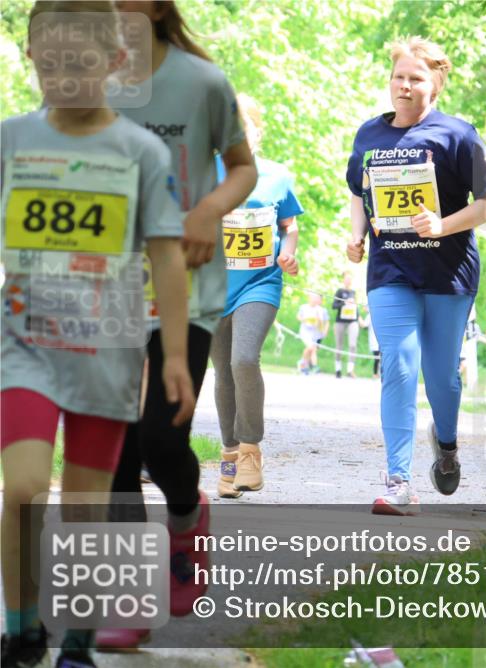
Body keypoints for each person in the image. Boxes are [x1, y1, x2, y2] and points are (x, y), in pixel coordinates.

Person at [1, 4, 195, 666]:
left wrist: (172, 353)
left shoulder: (139, 151)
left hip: (106, 348)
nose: (62, 79)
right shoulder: (12, 139)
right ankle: (21, 621)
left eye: (79, 65)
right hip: (23, 341)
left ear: (114, 62)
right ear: (32, 59)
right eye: (49, 64)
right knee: (24, 488)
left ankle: (76, 641)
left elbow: (167, 254)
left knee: (85, 504)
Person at [102, 0, 257, 650]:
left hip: (186, 290)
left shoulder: (202, 82)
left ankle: (188, 515)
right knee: (115, 453)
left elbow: (242, 165)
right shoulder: (90, 82)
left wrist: (207, 211)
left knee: (161, 440)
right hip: (104, 290)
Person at [345, 37, 486, 514]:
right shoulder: (369, 135)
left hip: (448, 272)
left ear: (436, 83)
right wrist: (356, 236)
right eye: (399, 77)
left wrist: (443, 225)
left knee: (441, 380)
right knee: (397, 363)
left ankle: (448, 442)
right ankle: (398, 481)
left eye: (416, 78)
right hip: (389, 268)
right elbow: (359, 190)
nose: (406, 86)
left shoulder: (458, 134)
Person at [210, 94, 303, 499]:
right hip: (211, 286)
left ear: (256, 132)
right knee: (223, 372)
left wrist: (289, 250)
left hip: (259, 283)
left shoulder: (277, 176)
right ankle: (229, 456)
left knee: (244, 359)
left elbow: (290, 225)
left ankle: (250, 450)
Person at [332, 273, 360, 378]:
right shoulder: (339, 291)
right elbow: (334, 306)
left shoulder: (353, 292)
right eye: (346, 279)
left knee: (353, 345)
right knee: (339, 345)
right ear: (343, 280)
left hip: (353, 321)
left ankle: (350, 370)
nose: (348, 281)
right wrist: (344, 303)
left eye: (350, 279)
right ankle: (338, 369)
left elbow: (355, 307)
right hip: (340, 321)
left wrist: (359, 318)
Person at [297, 291, 328, 374]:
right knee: (310, 347)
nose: (314, 300)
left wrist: (322, 329)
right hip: (305, 331)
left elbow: (321, 323)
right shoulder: (303, 307)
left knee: (312, 349)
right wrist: (304, 319)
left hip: (314, 333)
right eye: (313, 298)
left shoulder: (320, 310)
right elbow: (299, 317)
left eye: (316, 298)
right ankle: (305, 364)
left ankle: (305, 365)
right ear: (309, 299)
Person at [361, 305, 381, 379]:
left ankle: (376, 374)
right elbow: (364, 325)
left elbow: (363, 325)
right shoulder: (371, 315)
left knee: (377, 357)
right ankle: (376, 374)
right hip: (378, 340)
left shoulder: (370, 315)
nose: (365, 308)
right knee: (378, 357)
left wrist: (357, 316)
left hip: (375, 340)